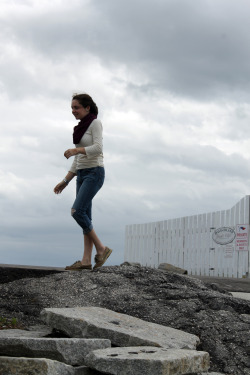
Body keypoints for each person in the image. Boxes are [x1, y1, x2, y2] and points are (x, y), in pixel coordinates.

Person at [54, 93, 112, 270]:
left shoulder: (95, 123)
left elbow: (98, 148)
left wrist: (76, 150)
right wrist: (65, 180)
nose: (73, 111)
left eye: (76, 107)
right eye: (72, 108)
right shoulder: (79, 128)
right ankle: (86, 261)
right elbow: (78, 160)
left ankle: (102, 249)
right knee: (86, 217)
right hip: (81, 174)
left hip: (95, 173)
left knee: (77, 211)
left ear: (87, 108)